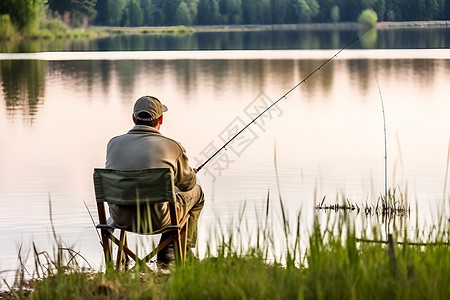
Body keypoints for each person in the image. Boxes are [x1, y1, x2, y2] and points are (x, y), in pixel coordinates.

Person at [105, 95, 205, 264]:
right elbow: (187, 184)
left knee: (167, 192)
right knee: (198, 193)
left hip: (121, 218)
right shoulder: (172, 146)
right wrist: (190, 173)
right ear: (161, 119)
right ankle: (177, 248)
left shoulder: (113, 144)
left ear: (133, 118)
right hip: (159, 219)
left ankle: (124, 261)